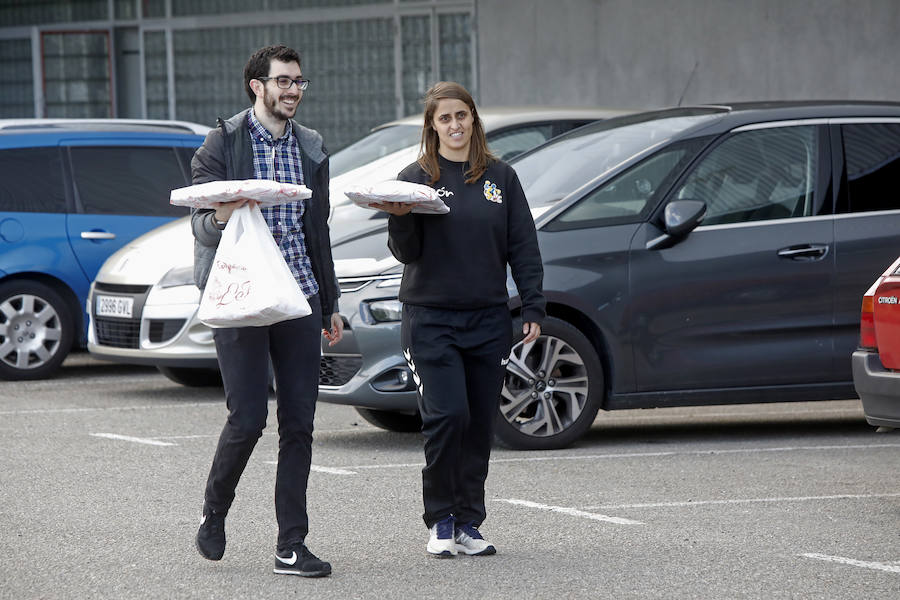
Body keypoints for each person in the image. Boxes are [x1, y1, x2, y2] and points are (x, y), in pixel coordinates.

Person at [371, 81, 545, 557]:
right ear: (432, 125)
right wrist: (401, 216)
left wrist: (532, 304)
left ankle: (470, 522)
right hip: (431, 320)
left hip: (488, 319)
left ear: (473, 119)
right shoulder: (415, 177)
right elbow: (405, 252)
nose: (454, 125)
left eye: (461, 115)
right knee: (448, 416)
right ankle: (441, 518)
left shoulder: (500, 177)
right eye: (444, 118)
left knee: (478, 423)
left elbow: (523, 245)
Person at [190, 44, 342, 578]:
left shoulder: (311, 147)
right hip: (242, 295)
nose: (293, 90)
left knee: (299, 422)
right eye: (283, 81)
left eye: (299, 81)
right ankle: (215, 510)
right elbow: (200, 226)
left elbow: (316, 230)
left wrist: (330, 301)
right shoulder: (224, 142)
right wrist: (225, 213)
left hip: (299, 294)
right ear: (257, 86)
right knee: (249, 417)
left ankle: (291, 544)